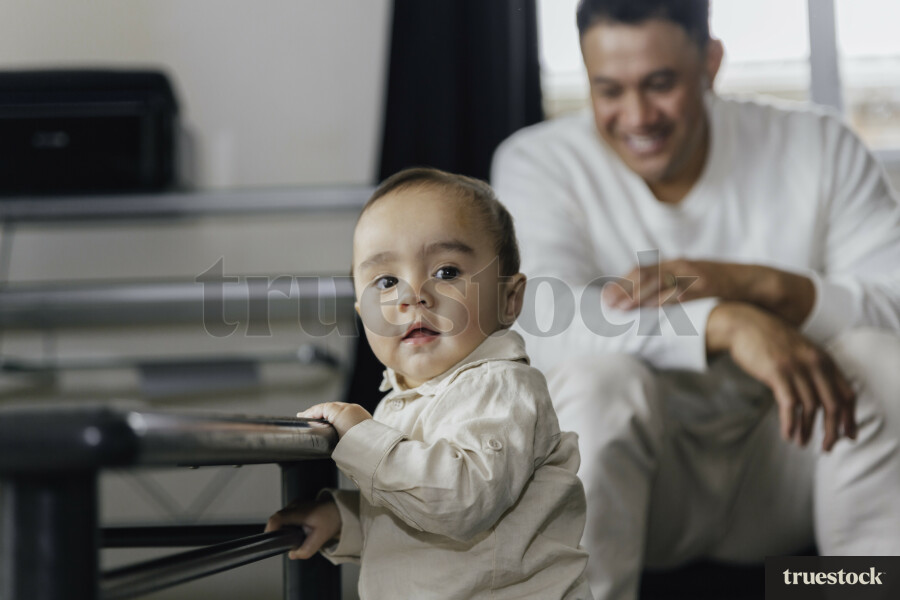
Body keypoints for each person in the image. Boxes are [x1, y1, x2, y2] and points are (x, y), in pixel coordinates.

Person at [490, 1, 900, 599]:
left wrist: (757, 286)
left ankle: (847, 589)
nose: (636, 116)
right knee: (598, 382)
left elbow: (894, 308)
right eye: (609, 89)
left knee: (877, 358)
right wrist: (724, 323)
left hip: (788, 463)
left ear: (710, 63)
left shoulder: (821, 145)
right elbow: (543, 323)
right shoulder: (537, 161)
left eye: (660, 84)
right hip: (650, 491)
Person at [266, 167, 593, 599]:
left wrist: (361, 438)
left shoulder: (500, 386)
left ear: (509, 299)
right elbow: (421, 524)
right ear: (362, 315)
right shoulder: (402, 403)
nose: (413, 294)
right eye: (386, 281)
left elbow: (461, 502)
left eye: (446, 272)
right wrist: (347, 521)